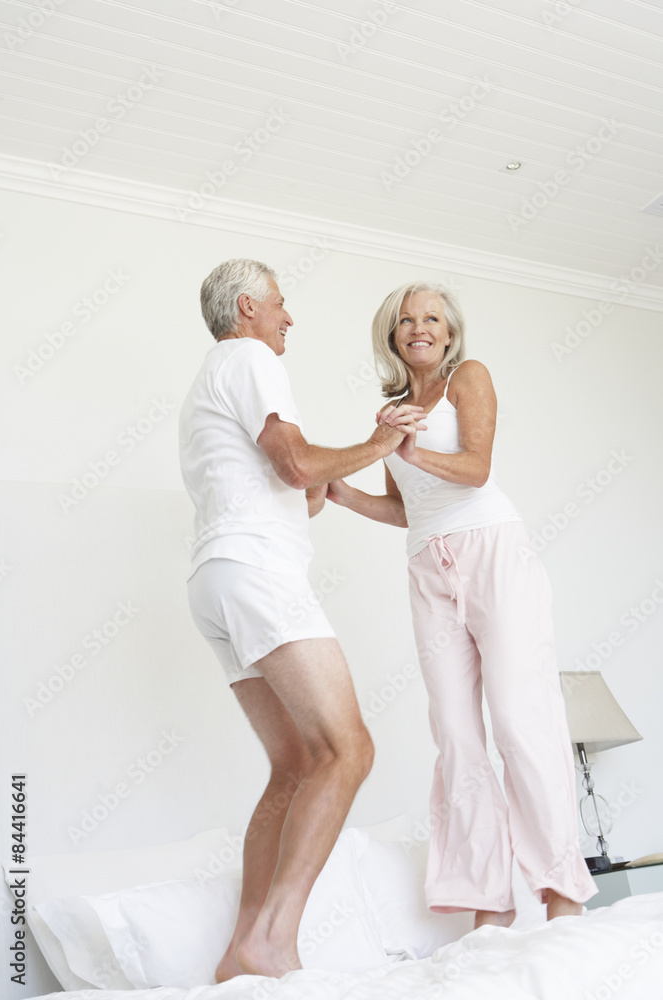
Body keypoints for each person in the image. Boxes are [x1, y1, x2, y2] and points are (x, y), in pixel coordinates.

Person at [178, 259, 424, 980]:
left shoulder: (210, 377)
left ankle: (243, 954)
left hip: (214, 579)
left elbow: (300, 489)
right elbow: (292, 466)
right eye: (281, 305)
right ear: (247, 308)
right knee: (348, 751)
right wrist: (379, 444)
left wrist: (331, 474)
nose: (290, 318)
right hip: (258, 574)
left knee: (293, 764)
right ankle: (275, 938)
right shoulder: (250, 356)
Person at [327, 281, 597, 928]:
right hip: (427, 566)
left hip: (491, 551)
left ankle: (560, 888)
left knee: (517, 717)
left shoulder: (467, 378)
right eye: (404, 320)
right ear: (391, 335)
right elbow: (402, 506)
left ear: (448, 332)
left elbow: (474, 469)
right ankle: (485, 900)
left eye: (430, 318)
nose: (418, 327)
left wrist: (411, 449)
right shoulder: (390, 410)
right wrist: (342, 494)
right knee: (453, 732)